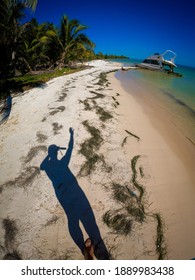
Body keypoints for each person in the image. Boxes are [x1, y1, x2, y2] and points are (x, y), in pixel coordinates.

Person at [40, 128, 109, 260]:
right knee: (88, 217)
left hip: (61, 194)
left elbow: (41, 166)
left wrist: (49, 154)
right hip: (73, 190)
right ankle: (100, 251)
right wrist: (71, 135)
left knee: (72, 219)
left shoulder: (48, 166)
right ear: (57, 153)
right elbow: (70, 148)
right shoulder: (63, 163)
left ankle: (83, 249)